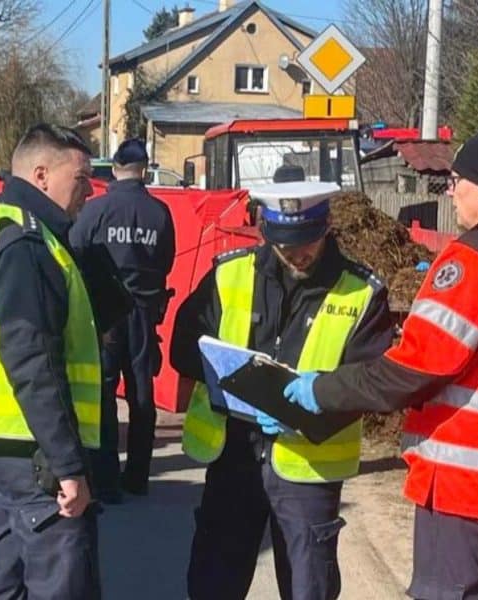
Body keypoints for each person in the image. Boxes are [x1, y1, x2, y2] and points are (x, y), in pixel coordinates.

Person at [284, 121, 478, 600]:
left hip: (467, 499)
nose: (452, 195)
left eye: (457, 183)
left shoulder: (475, 260)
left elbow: (412, 370)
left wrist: (321, 390)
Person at [169, 181, 394, 600]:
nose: (298, 254)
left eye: (308, 241)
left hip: (308, 466)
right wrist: (229, 375)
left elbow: (374, 378)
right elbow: (183, 347)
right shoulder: (227, 273)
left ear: (327, 228)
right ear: (264, 233)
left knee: (309, 587)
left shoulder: (361, 291)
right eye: (285, 245)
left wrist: (316, 401)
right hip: (234, 455)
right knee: (213, 582)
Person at [0, 124, 102, 598]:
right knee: (59, 580)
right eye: (80, 179)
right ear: (41, 175)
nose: (89, 191)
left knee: (9, 573)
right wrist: (69, 465)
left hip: (0, 439)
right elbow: (32, 359)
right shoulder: (24, 242)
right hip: (31, 443)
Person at [69, 138, 175, 502]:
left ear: (114, 168)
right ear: (144, 170)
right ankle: (138, 476)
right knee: (140, 393)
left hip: (105, 316)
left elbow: (75, 251)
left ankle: (107, 478)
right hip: (144, 313)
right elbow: (166, 261)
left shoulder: (96, 210)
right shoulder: (160, 213)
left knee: (103, 393)